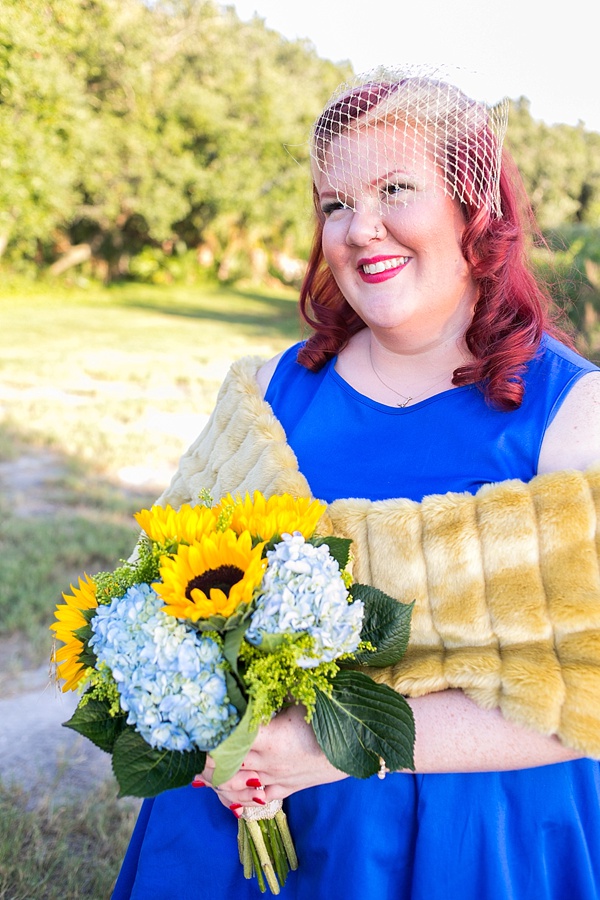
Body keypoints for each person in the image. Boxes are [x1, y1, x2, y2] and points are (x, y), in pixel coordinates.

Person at [112, 67, 600, 899]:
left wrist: (329, 747)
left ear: (472, 208)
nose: (361, 228)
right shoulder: (271, 392)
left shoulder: (569, 411)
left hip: (470, 834)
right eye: (335, 204)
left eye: (396, 189)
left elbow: (589, 687)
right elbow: (160, 592)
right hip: (249, 822)